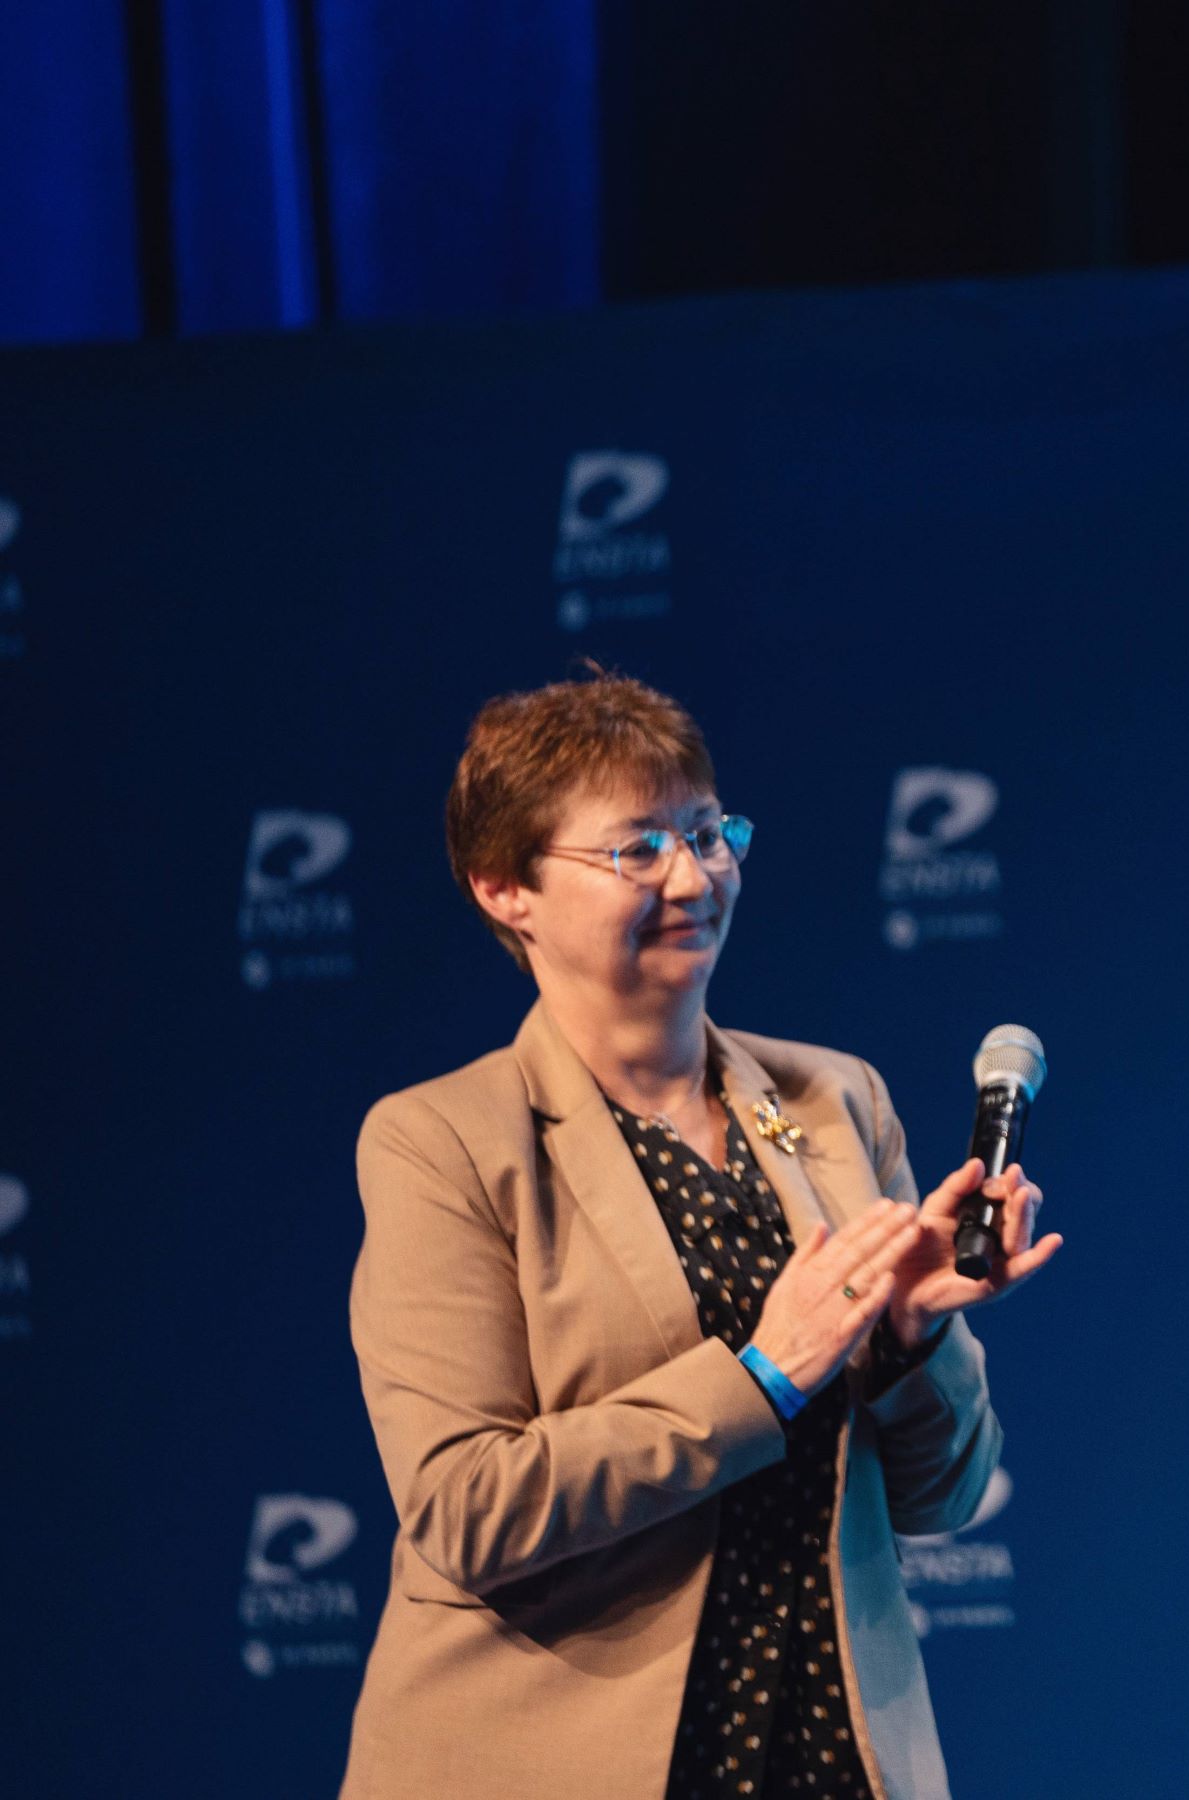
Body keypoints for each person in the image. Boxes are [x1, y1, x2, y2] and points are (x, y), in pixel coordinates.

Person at [340, 671, 1060, 1800]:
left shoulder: (835, 1101)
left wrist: (913, 1342)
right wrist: (763, 1376)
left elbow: (942, 1498)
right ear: (503, 887)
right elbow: (468, 1508)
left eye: (708, 831)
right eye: (637, 850)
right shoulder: (443, 1141)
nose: (695, 874)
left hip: (822, 1749)